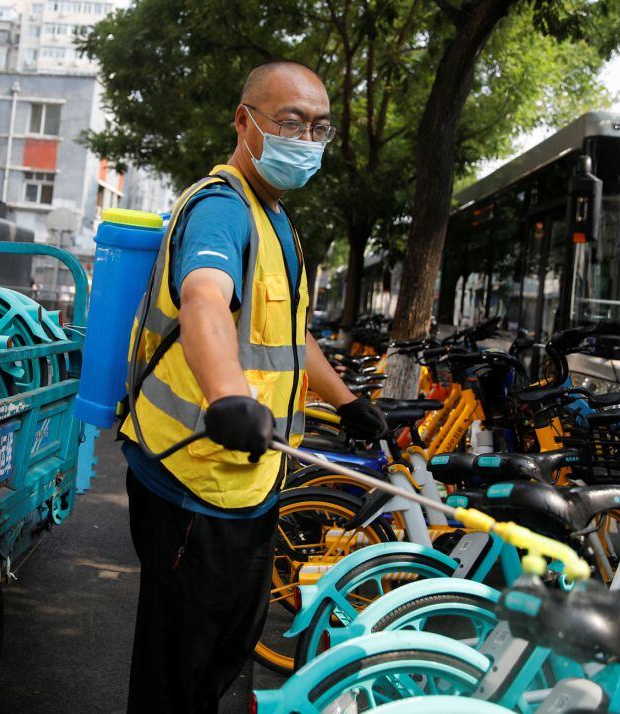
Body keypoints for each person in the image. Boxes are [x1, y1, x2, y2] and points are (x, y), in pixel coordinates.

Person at [118, 59, 388, 713]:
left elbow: (289, 337)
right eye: (290, 121)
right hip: (192, 480)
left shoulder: (276, 222)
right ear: (245, 121)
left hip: (250, 481)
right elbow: (204, 300)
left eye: (319, 128)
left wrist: (347, 402)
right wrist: (227, 396)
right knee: (176, 674)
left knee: (224, 657)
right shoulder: (221, 209)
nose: (306, 139)